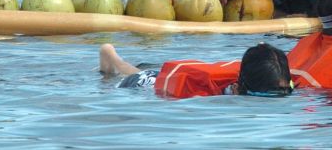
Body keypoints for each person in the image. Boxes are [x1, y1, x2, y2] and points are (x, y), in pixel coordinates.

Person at [99, 42, 292, 98]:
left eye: (285, 90)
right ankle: (110, 55)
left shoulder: (270, 80)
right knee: (130, 74)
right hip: (147, 84)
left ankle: (112, 56)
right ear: (236, 90)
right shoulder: (204, 94)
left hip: (172, 77)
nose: (282, 92)